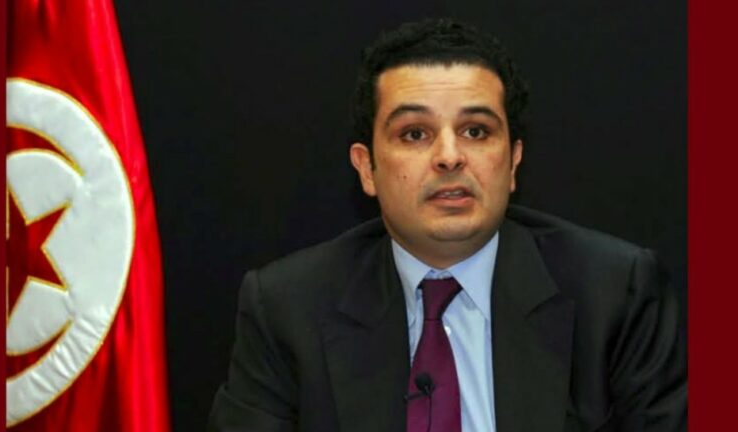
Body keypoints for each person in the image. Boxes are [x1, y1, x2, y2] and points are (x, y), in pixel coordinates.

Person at [208, 18, 686, 432]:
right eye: (415, 133)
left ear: (513, 161)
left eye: (475, 131)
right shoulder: (288, 309)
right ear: (367, 168)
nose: (450, 156)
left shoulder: (615, 294)